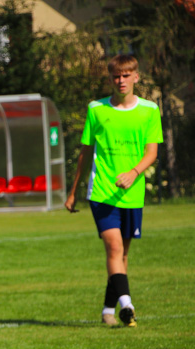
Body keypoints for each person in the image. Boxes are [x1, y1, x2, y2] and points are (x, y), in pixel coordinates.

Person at [65, 54, 162, 327]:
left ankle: (109, 310)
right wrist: (73, 191)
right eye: (116, 76)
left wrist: (133, 173)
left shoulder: (149, 110)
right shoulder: (96, 109)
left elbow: (151, 153)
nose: (121, 81)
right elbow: (85, 153)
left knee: (123, 256)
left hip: (132, 194)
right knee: (114, 248)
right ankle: (128, 305)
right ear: (110, 79)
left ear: (136, 77)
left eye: (126, 75)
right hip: (102, 193)